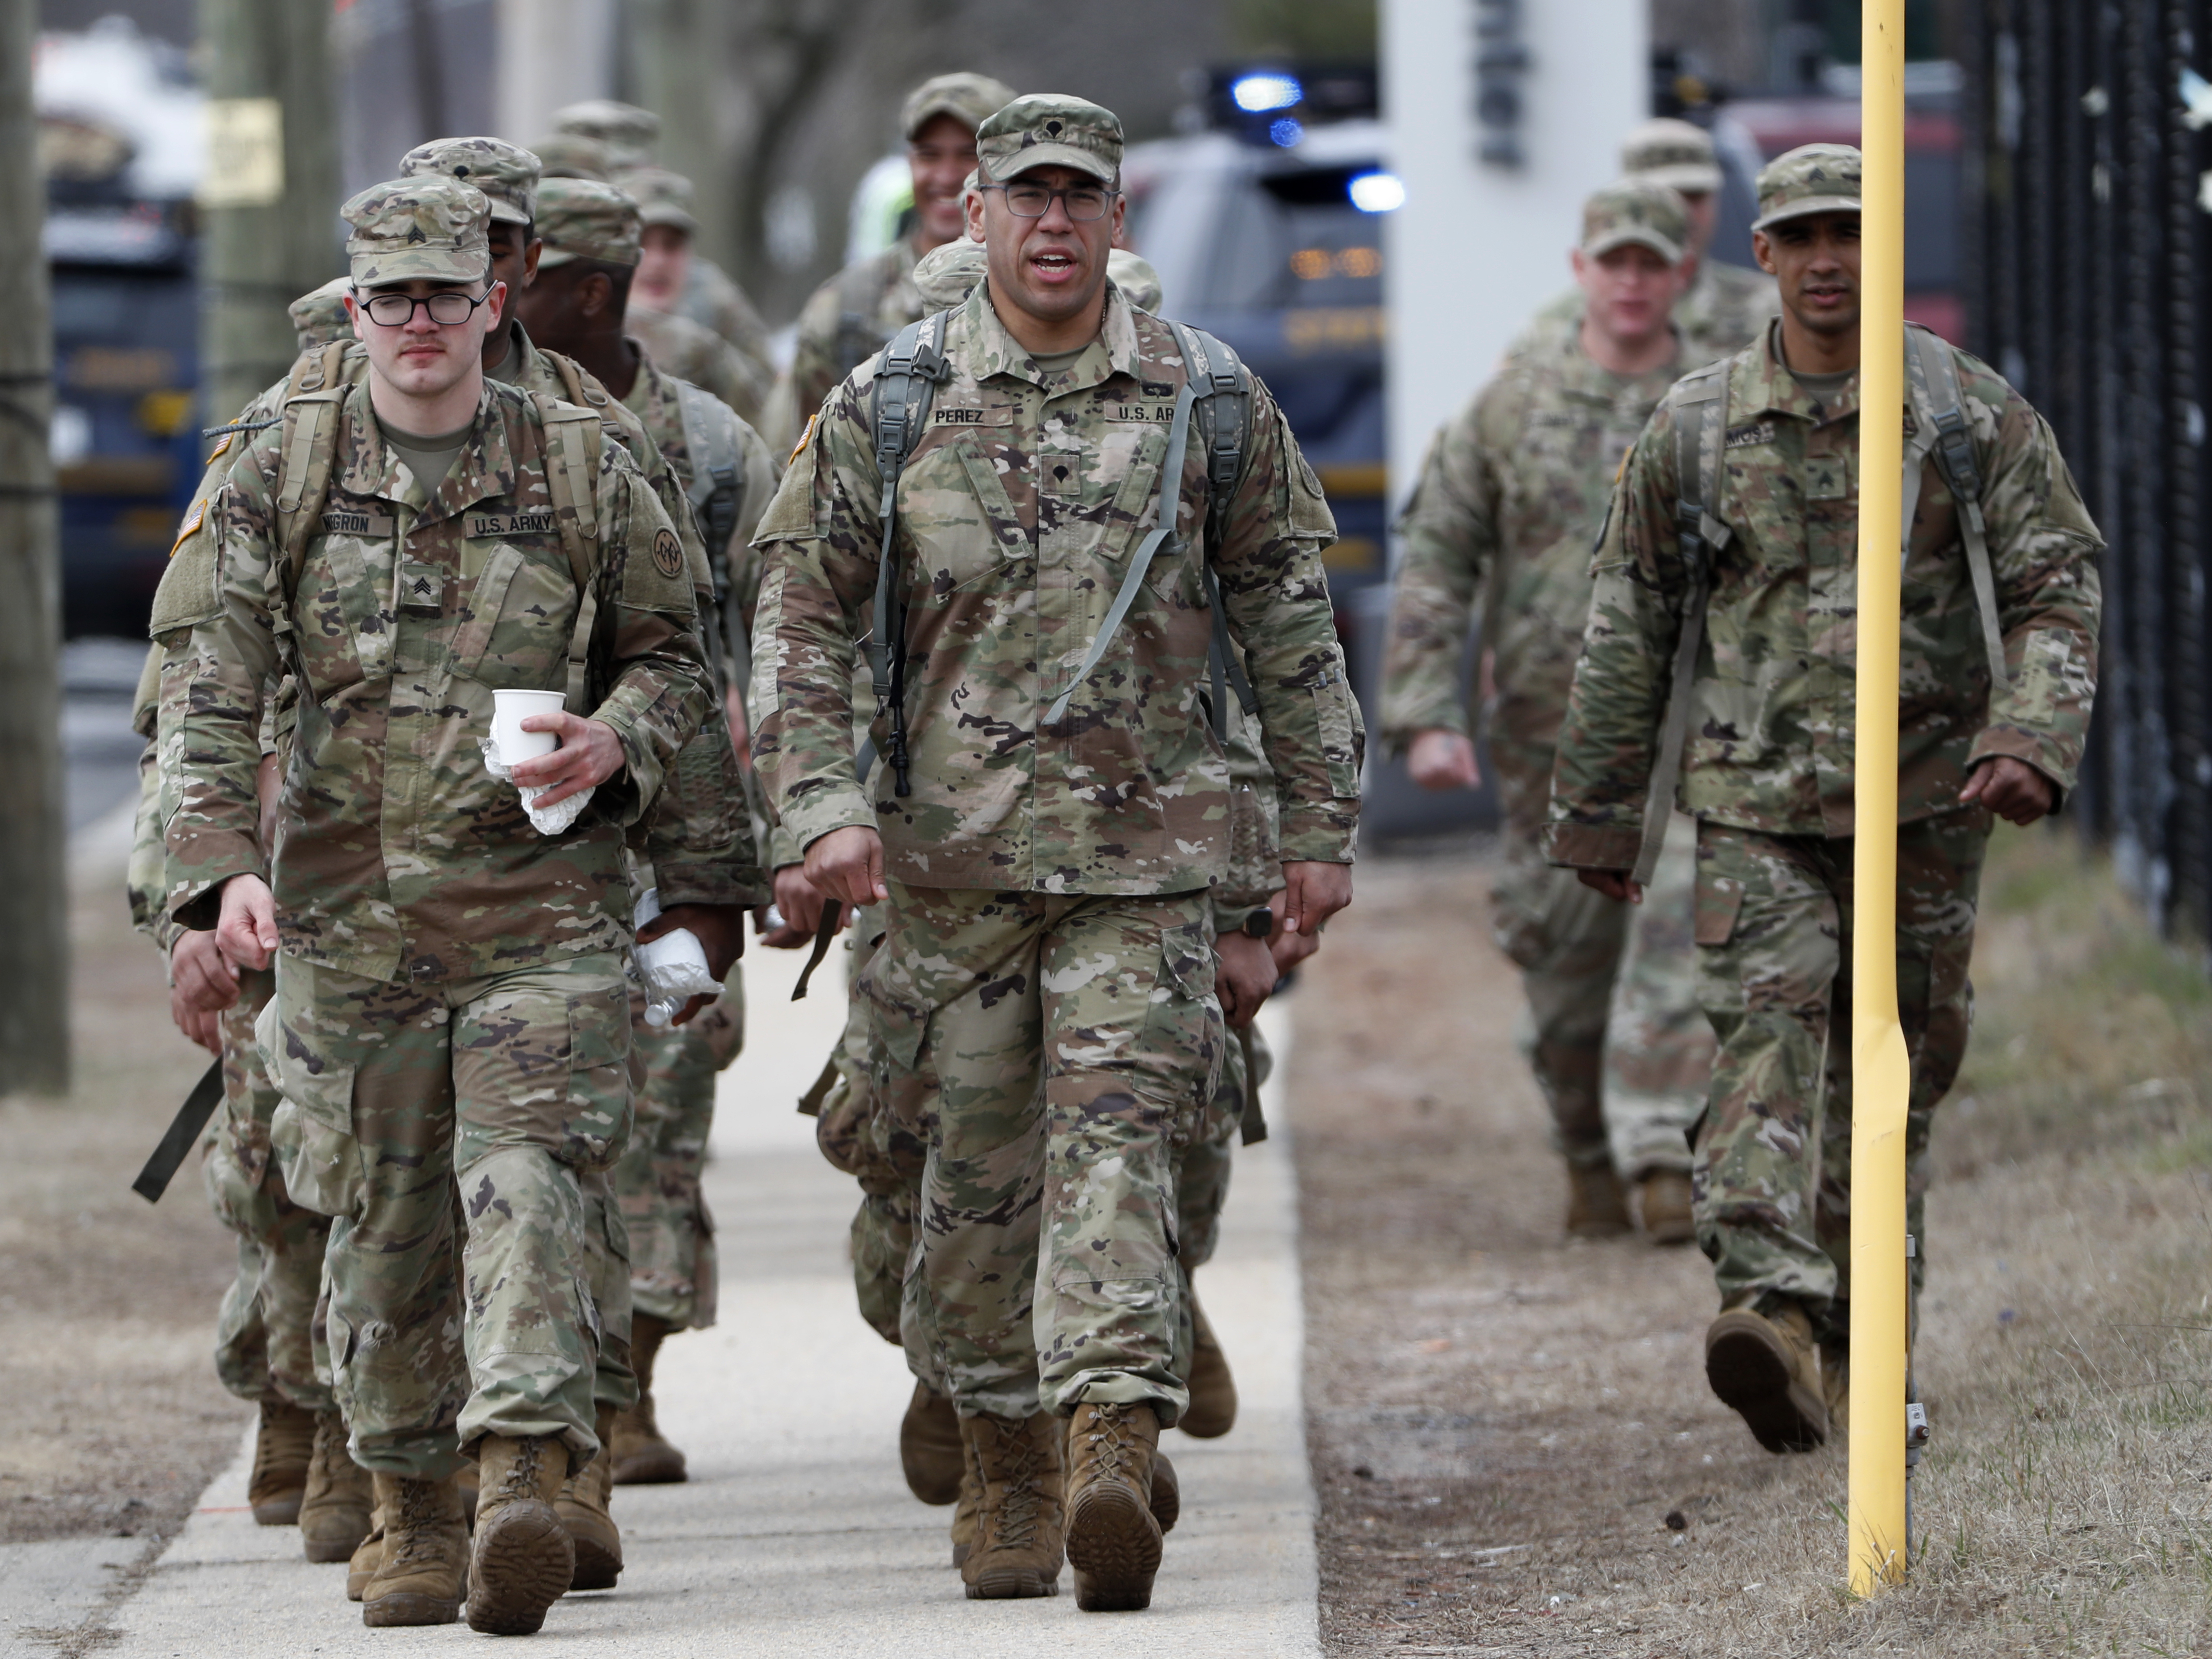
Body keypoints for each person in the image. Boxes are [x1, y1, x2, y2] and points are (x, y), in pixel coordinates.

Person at [752, 93, 1360, 1612]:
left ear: (1115, 219)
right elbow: (801, 615)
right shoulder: (888, 404)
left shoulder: (1207, 404)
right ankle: (1002, 1460)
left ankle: (1107, 1435)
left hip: (1147, 867)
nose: (1048, 221)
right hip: (947, 876)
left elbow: (1289, 626)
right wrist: (816, 806)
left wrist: (1314, 832)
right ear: (972, 216)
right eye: (1023, 195)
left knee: (1116, 1154)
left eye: (1077, 197)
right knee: (973, 1178)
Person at [159, 175, 719, 1634]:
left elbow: (674, 656)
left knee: (529, 1179)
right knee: (388, 1215)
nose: (419, 321)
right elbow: (207, 688)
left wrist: (623, 744)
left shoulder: (585, 459)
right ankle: (408, 1502)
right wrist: (216, 878)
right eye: (390, 296)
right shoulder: (279, 462)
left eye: (444, 294)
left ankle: (526, 1465)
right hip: (350, 923)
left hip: (542, 911)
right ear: (356, 309)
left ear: (493, 301)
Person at [1544, 145, 2104, 1453]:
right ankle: (1770, 1310)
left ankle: (1862, 1353)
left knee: (1892, 1082)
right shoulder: (1692, 425)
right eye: (1799, 237)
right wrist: (1599, 810)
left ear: (1883, 245)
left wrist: (2029, 734)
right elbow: (1626, 619)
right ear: (1759, 256)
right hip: (1754, 808)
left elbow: (2053, 584)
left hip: (1923, 803)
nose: (1826, 260)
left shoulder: (1959, 414)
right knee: (1763, 1046)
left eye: (1849, 233)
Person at [1383, 180, 1716, 1242]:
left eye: (1650, 263)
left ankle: (1664, 1143)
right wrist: (1425, 709)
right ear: (1579, 271)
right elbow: (1437, 552)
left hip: (1698, 729)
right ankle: (1586, 1147)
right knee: (1567, 978)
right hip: (1552, 738)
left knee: (1684, 922)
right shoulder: (1511, 407)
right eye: (1611, 261)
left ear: (1682, 276)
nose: (1630, 281)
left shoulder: (1716, 409)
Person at [514, 174, 781, 1489]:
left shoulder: (713, 446)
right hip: (507, 847)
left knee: (659, 1106)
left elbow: (776, 637)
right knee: (525, 1127)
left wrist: (766, 831)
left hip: (665, 836)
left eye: (529, 275)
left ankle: (626, 1381)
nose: (498, 298)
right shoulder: (483, 426)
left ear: (591, 291)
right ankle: (533, 1395)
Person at [777, 71, 1015, 442]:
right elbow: (808, 472)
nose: (948, 176)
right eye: (929, 156)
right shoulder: (845, 309)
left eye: (970, 155)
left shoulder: (1053, 294)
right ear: (909, 161)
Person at [1514, 118, 1780, 364]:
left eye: (1695, 196)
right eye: (1664, 197)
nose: (1683, 213)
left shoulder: (1770, 312)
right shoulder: (1556, 325)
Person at [620, 165, 779, 395]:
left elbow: (770, 396)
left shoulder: (716, 299)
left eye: (672, 245)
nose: (658, 262)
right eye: (641, 242)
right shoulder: (583, 316)